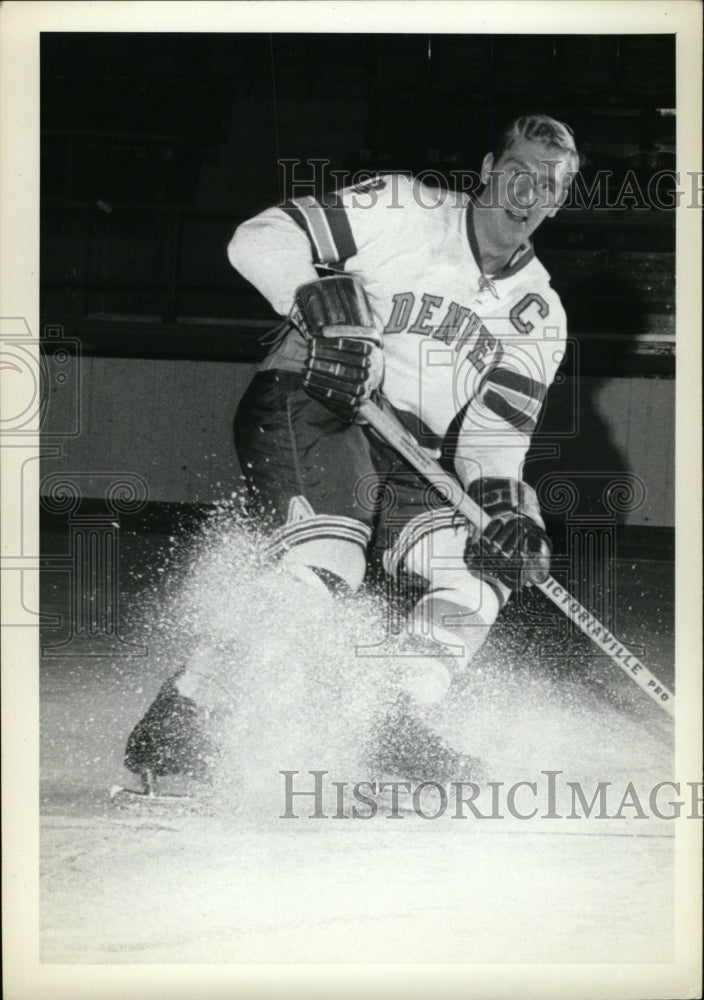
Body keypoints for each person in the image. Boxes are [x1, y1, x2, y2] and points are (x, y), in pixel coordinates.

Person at [123, 114, 581, 790]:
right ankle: (184, 714)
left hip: (408, 452)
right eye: (516, 171)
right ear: (486, 169)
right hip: (314, 397)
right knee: (328, 556)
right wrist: (315, 298)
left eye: (546, 183)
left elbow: (491, 442)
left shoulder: (540, 316)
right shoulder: (405, 208)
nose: (525, 192)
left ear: (559, 200)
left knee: (480, 565)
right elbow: (259, 237)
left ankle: (391, 721)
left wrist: (500, 509)